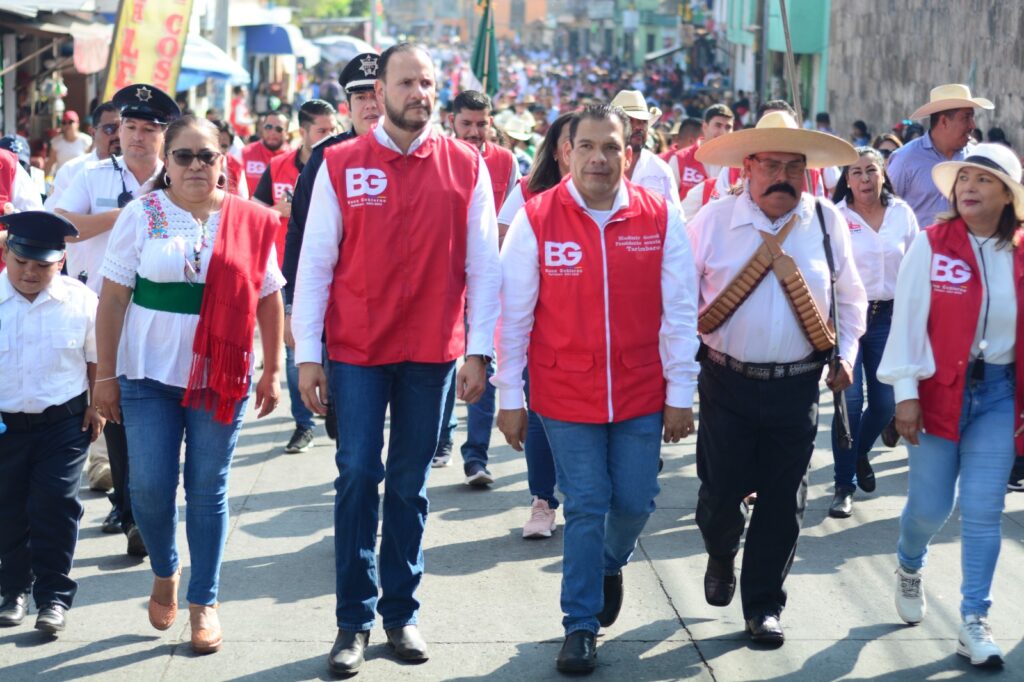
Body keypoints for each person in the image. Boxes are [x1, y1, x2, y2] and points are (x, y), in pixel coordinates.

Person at [292, 43, 500, 676]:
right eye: (408, 82)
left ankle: (401, 614)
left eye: (429, 83)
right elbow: (316, 263)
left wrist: (479, 351)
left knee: (409, 486)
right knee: (357, 474)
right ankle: (352, 622)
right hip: (355, 352)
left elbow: (485, 267)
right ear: (379, 90)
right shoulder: (341, 163)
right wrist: (306, 356)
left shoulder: (467, 166)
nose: (421, 93)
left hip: (432, 356)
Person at [495, 104, 700, 674]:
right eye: (586, 146)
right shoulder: (538, 218)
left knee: (634, 502)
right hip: (564, 393)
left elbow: (681, 310)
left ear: (627, 155)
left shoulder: (661, 217)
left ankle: (610, 564)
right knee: (586, 504)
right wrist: (509, 396)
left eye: (611, 147)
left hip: (639, 389)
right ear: (566, 153)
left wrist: (681, 390)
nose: (598, 158)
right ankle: (579, 625)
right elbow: (512, 316)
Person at [92, 115, 285, 655]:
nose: (197, 165)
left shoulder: (249, 219)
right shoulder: (143, 214)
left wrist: (274, 367)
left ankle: (204, 602)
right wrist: (104, 375)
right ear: (167, 162)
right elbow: (112, 299)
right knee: (149, 487)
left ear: (224, 161)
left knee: (207, 489)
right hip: (147, 373)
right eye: (184, 156)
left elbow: (269, 295)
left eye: (208, 156)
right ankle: (165, 568)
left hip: (222, 377)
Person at [689, 110, 865, 644]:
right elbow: (673, 304)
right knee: (719, 497)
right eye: (771, 164)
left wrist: (848, 356)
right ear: (748, 167)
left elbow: (851, 298)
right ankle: (722, 551)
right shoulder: (710, 221)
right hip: (725, 382)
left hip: (798, 384)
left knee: (784, 501)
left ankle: (763, 604)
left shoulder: (829, 222)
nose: (783, 175)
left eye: (795, 165)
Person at [879, 143, 1024, 668]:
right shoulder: (931, 243)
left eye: (983, 180)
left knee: (984, 509)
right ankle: (909, 561)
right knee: (930, 508)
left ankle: (973, 620)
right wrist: (906, 396)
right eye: (964, 177)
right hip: (938, 393)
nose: (968, 186)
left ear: (1007, 195)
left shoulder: (1021, 251)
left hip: (999, 396)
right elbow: (907, 323)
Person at [56, 83, 180, 558]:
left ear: (164, 136)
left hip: (158, 319)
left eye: (150, 129)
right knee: (116, 419)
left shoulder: (180, 178)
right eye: (130, 127)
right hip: (102, 314)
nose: (138, 137)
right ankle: (131, 513)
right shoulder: (88, 175)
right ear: (117, 130)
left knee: (153, 422)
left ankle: (143, 510)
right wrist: (123, 216)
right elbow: (63, 228)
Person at [0, 211, 103, 637]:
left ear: (60, 261)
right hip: (5, 426)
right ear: (6, 254)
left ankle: (54, 596)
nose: (30, 272)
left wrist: (97, 406)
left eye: (42, 265)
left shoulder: (80, 300)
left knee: (55, 506)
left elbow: (97, 358)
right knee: (7, 509)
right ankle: (13, 590)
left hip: (63, 422)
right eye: (21, 261)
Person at [281, 52, 381, 445]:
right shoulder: (326, 157)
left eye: (377, 93)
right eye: (360, 98)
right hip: (344, 317)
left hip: (409, 322)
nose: (371, 105)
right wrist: (292, 307)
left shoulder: (420, 157)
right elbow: (299, 234)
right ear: (347, 106)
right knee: (347, 429)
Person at [432, 89, 520, 485]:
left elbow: (517, 222)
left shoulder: (505, 161)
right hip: (444, 281)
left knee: (481, 362)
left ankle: (476, 458)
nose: (474, 131)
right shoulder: (437, 158)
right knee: (442, 367)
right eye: (466, 123)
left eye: (481, 123)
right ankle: (441, 439)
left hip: (488, 284)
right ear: (452, 121)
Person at [826, 147, 919, 518]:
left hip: (888, 317)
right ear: (846, 180)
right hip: (848, 318)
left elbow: (915, 268)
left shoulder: (902, 214)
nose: (864, 179)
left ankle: (859, 450)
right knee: (848, 404)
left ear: (883, 174)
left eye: (870, 171)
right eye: (856, 172)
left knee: (885, 403)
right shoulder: (835, 217)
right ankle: (843, 484)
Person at [495, 113, 574, 538]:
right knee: (541, 415)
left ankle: (588, 501)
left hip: (593, 333)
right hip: (538, 331)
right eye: (569, 145)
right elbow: (504, 246)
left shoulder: (615, 197)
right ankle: (542, 501)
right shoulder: (527, 192)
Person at [252, 99, 337, 455]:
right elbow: (254, 207)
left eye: (333, 129)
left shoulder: (339, 161)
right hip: (287, 273)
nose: (331, 136)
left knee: (331, 350)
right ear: (302, 133)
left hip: (330, 273)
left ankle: (335, 409)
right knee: (294, 352)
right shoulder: (277, 166)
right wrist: (276, 210)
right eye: (322, 131)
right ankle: (303, 425)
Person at [889, 84, 993, 227]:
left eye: (972, 117)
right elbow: (886, 208)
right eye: (966, 117)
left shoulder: (974, 158)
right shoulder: (905, 159)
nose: (973, 125)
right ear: (943, 121)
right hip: (919, 248)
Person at [608, 90, 679, 209]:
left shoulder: (661, 170)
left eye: (643, 122)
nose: (638, 127)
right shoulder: (597, 164)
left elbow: (675, 218)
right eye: (630, 121)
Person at [46, 103, 122, 211]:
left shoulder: (141, 171)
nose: (118, 135)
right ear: (93, 133)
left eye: (124, 128)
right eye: (110, 129)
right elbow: (53, 216)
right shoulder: (71, 171)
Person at [667, 104, 734, 200]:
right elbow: (668, 201)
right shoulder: (680, 159)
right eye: (718, 125)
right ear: (705, 127)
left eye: (728, 127)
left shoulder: (736, 164)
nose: (723, 132)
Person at [241, 111, 289, 198]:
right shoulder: (244, 154)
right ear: (262, 129)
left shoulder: (296, 159)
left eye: (278, 129)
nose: (272, 132)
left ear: (287, 134)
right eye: (268, 127)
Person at [46, 111, 92, 176]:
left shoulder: (86, 141)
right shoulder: (56, 142)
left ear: (77, 123)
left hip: (79, 180)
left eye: (70, 122)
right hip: (61, 180)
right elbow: (50, 163)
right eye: (64, 122)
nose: (67, 125)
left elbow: (91, 163)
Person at [212, 120, 248, 198]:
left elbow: (243, 197)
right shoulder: (197, 163)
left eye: (224, 146)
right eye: (215, 145)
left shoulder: (236, 165)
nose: (219, 150)